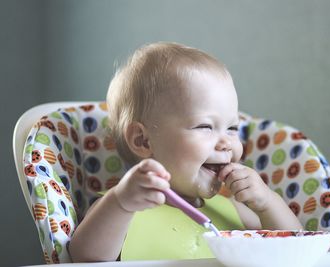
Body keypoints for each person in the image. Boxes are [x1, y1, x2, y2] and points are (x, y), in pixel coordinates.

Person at [69, 42, 303, 262]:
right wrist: (121, 202)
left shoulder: (233, 209)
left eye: (232, 128)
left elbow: (297, 250)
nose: (226, 143)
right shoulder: (120, 208)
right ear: (143, 140)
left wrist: (267, 202)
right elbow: (84, 259)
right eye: (205, 126)